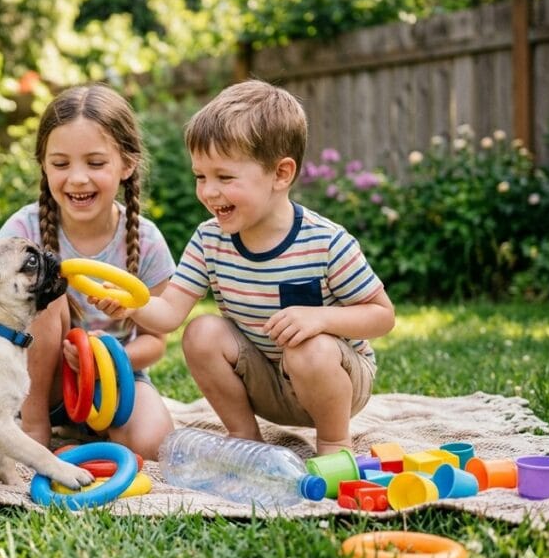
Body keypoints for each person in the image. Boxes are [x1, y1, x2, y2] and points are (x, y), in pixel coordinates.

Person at [92, 80, 396, 456]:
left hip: (335, 381)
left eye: (225, 177)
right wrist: (132, 304)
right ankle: (245, 437)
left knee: (310, 348)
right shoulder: (210, 240)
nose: (208, 191)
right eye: (201, 177)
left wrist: (319, 318)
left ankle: (334, 443)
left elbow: (382, 316)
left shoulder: (326, 242)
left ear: (281, 174)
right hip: (266, 379)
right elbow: (170, 313)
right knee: (201, 332)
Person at [0, 83, 176, 459]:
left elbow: (156, 341)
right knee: (45, 289)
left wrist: (106, 360)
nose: (77, 178)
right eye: (61, 164)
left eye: (95, 163)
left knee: (154, 444)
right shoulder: (23, 231)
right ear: (44, 165)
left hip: (113, 379)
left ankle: (93, 427)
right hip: (36, 382)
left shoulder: (146, 240)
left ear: (126, 165)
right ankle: (35, 426)